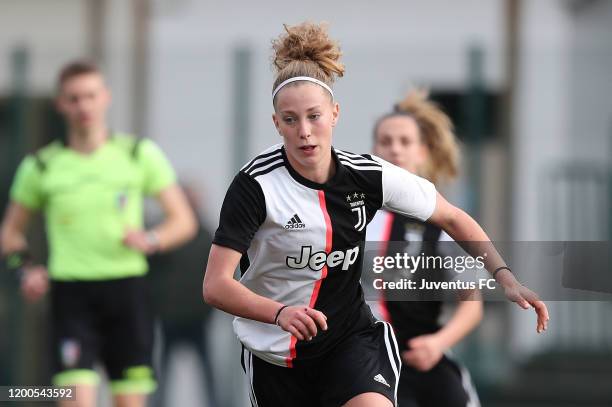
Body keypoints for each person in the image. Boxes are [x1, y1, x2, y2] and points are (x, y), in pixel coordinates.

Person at [203, 22, 548, 407]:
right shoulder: (256, 185)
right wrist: (279, 312)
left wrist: (505, 277)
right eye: (290, 119)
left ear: (334, 114)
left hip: (351, 341)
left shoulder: (368, 176)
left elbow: (452, 217)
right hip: (276, 356)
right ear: (276, 123)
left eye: (314, 116)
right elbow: (216, 285)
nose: (304, 131)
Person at [0, 61, 197, 407]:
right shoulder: (42, 166)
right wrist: (25, 269)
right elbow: (10, 233)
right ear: (61, 104)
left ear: (105, 97)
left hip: (128, 293)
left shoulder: (138, 154)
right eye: (74, 98)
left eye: (90, 96)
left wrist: (151, 239)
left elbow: (183, 221)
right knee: (75, 400)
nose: (83, 106)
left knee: (129, 401)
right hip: (71, 297)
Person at [367, 89, 482, 407]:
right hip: (366, 359)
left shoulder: (442, 223)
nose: (395, 149)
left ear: (422, 152)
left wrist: (437, 343)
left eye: (405, 142)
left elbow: (472, 304)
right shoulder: (353, 215)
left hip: (422, 356)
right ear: (374, 150)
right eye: (385, 141)